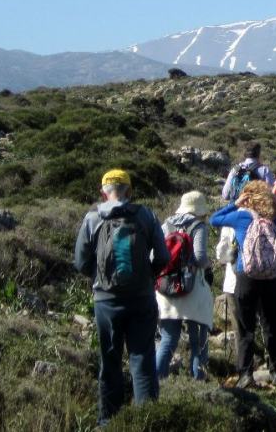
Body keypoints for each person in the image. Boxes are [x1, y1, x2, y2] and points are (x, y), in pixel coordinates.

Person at [74, 169, 170, 425]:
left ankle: (107, 422)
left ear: (102, 192)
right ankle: (147, 422)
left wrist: (99, 278)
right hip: (141, 299)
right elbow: (162, 256)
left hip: (105, 301)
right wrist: (147, 277)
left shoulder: (92, 217)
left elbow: (80, 261)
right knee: (142, 361)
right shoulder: (146, 215)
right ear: (129, 191)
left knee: (110, 361)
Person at [210, 181, 276, 388]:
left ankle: (246, 374)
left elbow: (215, 219)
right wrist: (273, 263)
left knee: (245, 327)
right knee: (273, 326)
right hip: (272, 280)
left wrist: (235, 203)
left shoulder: (241, 216)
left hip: (245, 277)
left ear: (248, 198)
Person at [155, 191, 213, 380]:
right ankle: (198, 382)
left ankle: (155, 384)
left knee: (168, 339)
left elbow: (155, 256)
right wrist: (210, 265)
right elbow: (200, 257)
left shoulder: (167, 224)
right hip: (192, 288)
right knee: (199, 342)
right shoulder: (198, 226)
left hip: (166, 288)